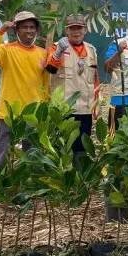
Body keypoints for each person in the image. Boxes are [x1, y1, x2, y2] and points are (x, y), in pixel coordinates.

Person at [0, 11, 50, 197]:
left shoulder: (43, 54)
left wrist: (46, 107)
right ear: (17, 30)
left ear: (36, 31)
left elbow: (45, 85)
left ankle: (31, 190)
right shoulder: (6, 51)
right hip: (9, 113)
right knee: (1, 153)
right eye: (24, 27)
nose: (29, 31)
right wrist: (1, 30)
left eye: (32, 27)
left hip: (34, 113)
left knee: (33, 153)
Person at [45, 14, 100, 154]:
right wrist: (58, 53)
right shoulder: (57, 47)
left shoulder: (91, 50)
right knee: (64, 148)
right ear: (66, 31)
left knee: (82, 148)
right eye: (72, 29)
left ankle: (80, 174)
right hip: (64, 109)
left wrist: (96, 105)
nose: (76, 32)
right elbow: (50, 69)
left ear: (85, 30)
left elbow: (95, 80)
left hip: (85, 109)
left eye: (79, 28)